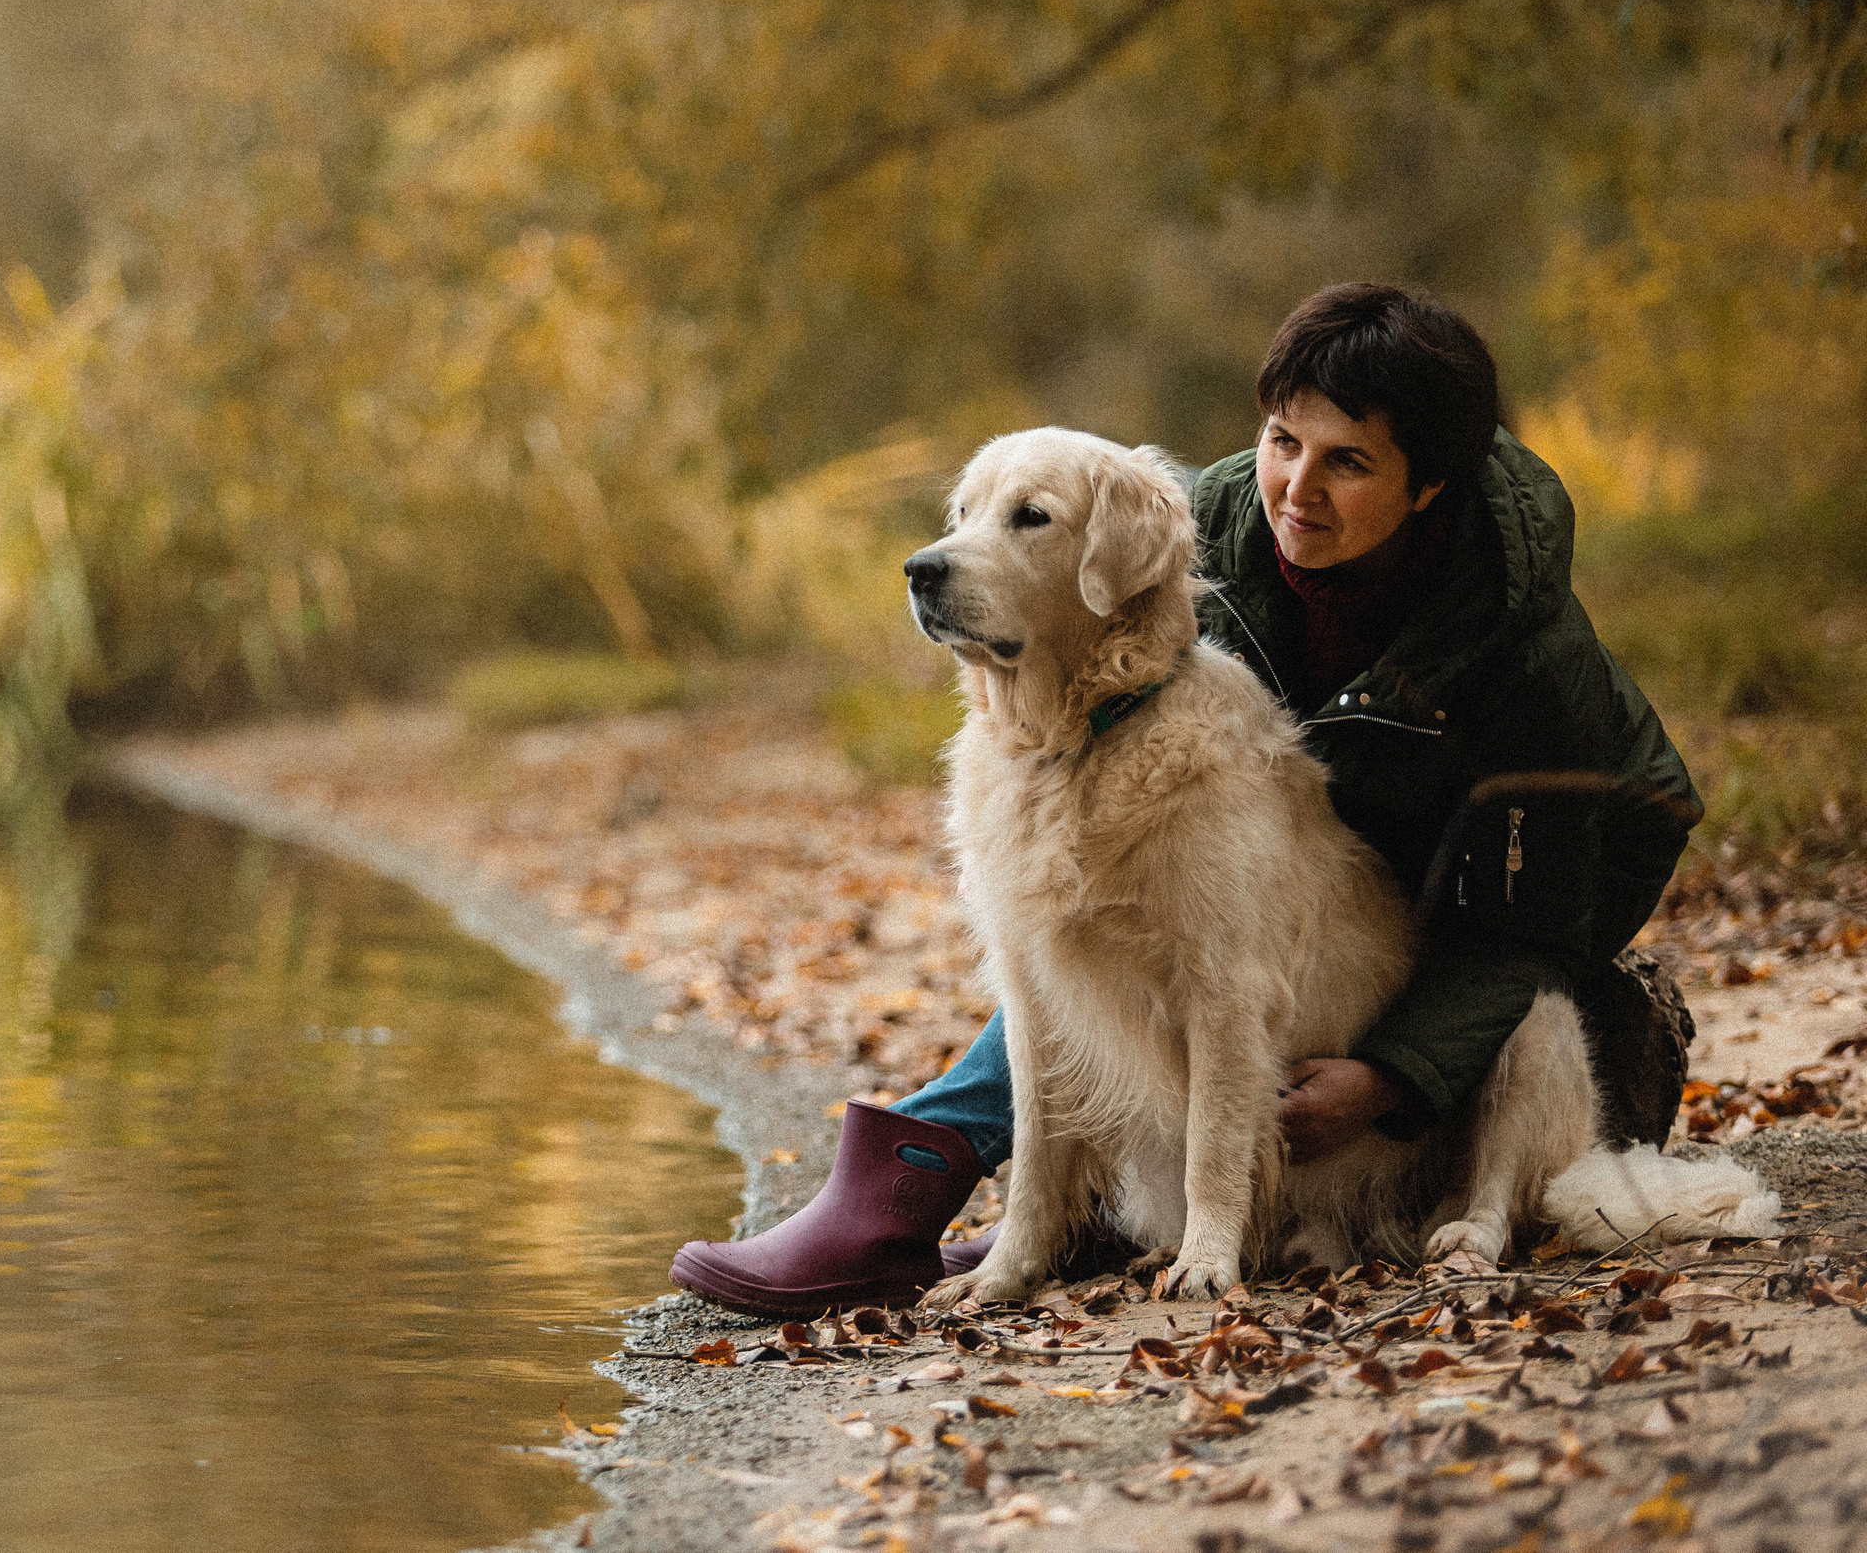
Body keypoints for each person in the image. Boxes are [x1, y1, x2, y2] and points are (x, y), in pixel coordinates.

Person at [669, 283, 1702, 1316]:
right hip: (1315, 843)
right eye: (1282, 441)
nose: (1298, 489)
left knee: (1241, 941)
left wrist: (1393, 1075)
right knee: (1086, 931)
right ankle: (978, 1190)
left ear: (1428, 484)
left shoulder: (1532, 654)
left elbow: (1527, 930)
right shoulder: (1216, 518)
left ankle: (940, 1178)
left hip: (1521, 882)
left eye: (1347, 462)